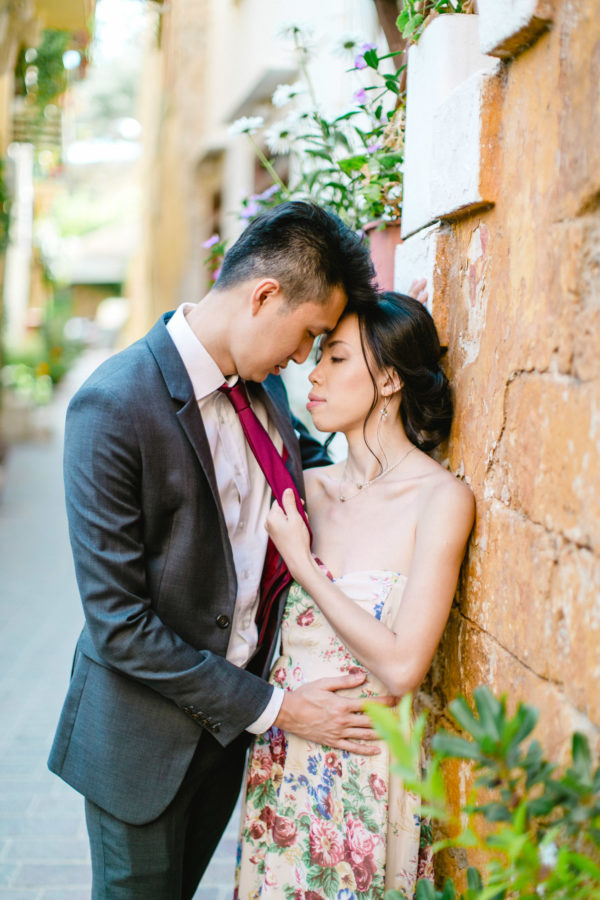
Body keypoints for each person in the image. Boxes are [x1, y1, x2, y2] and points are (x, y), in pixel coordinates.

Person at [48, 201, 397, 900]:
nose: (304, 358)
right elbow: (120, 625)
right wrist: (276, 707)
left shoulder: (263, 388)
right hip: (139, 742)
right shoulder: (112, 406)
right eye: (307, 335)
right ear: (265, 296)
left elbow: (313, 470)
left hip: (223, 740)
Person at [235, 291, 475, 899]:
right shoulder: (302, 488)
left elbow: (402, 666)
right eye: (318, 356)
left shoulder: (439, 499)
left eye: (337, 358)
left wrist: (306, 567)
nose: (312, 374)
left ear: (389, 379)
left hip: (369, 771)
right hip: (285, 759)